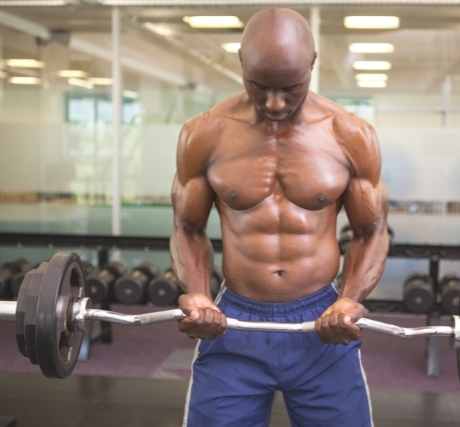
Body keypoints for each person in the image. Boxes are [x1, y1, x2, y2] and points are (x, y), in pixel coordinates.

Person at [170, 8, 389, 427]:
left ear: (313, 63)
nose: (274, 103)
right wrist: (196, 292)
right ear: (240, 62)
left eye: (291, 88)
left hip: (322, 322)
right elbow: (187, 227)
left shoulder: (350, 134)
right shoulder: (205, 133)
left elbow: (372, 230)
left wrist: (350, 298)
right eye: (258, 86)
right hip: (233, 321)